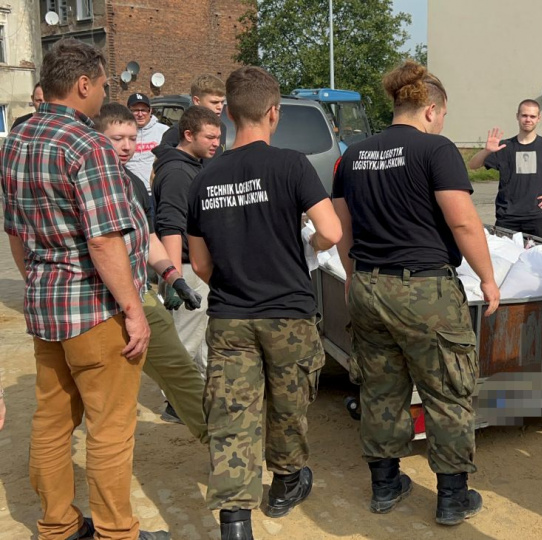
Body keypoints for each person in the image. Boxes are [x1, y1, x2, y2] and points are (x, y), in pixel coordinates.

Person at [1, 38, 168, 540]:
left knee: (52, 422)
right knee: (110, 431)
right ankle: (117, 533)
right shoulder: (86, 145)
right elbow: (103, 240)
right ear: (82, 84)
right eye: (100, 86)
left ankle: (57, 526)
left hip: (49, 307)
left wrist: (38, 280)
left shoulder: (16, 141)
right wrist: (134, 310)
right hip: (96, 311)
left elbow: (15, 231)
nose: (102, 95)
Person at [333, 60, 499, 526]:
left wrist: (352, 275)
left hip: (368, 283)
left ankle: (385, 486)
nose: (442, 122)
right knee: (446, 390)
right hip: (424, 287)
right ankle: (451, 497)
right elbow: (463, 220)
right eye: (442, 115)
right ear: (430, 110)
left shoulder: (355, 154)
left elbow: (343, 226)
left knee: (381, 389)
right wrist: (488, 279)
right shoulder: (436, 150)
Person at [186, 66, 342, 540]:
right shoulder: (292, 165)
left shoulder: (204, 177)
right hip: (288, 313)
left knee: (233, 416)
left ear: (229, 113)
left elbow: (201, 264)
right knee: (288, 405)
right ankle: (286, 484)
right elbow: (332, 232)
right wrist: (306, 247)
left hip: (231, 316)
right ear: (273, 113)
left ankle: (235, 521)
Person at [94, 103, 209, 441]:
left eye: (132, 137)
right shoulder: (89, 180)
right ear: (98, 138)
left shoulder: (132, 181)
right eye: (117, 138)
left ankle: (221, 443)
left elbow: (149, 236)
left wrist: (173, 277)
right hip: (100, 301)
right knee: (106, 396)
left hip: (141, 292)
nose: (127, 146)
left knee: (181, 370)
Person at [154, 106, 223, 378]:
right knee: (184, 343)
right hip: (185, 268)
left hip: (193, 267)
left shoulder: (191, 166)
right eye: (209, 137)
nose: (216, 143)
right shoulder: (177, 172)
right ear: (188, 134)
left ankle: (197, 398)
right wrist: (175, 280)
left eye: (218, 137)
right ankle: (175, 402)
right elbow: (170, 225)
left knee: (202, 343)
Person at [467, 100, 542, 238]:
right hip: (507, 216)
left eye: (532, 116)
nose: (528, 120)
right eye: (524, 115)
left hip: (536, 217)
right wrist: (487, 151)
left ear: (538, 119)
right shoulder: (504, 146)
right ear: (517, 116)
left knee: (535, 258)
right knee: (506, 258)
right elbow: (473, 165)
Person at [160, 74, 227, 157]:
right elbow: (160, 166)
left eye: (222, 102)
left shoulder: (221, 127)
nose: (220, 107)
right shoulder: (176, 132)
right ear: (197, 101)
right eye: (214, 102)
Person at [126, 92, 169, 193]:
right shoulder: (123, 132)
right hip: (130, 191)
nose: (140, 114)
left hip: (154, 190)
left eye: (144, 110)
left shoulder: (163, 131)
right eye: (135, 110)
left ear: (150, 111)